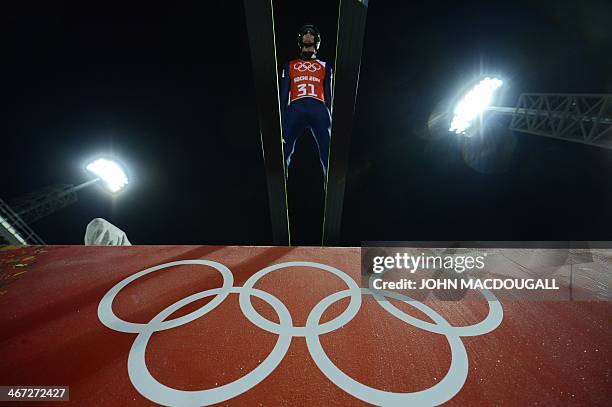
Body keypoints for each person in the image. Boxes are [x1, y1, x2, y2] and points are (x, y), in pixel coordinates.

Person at [280, 24, 333, 185]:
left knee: (327, 149)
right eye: (305, 33)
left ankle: (329, 182)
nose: (308, 35)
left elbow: (329, 95)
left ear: (316, 41)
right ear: (300, 40)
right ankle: (280, 178)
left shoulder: (325, 66)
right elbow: (283, 94)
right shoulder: (290, 65)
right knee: (284, 148)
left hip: (318, 108)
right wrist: (280, 120)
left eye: (311, 34)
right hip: (296, 107)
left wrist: (331, 116)